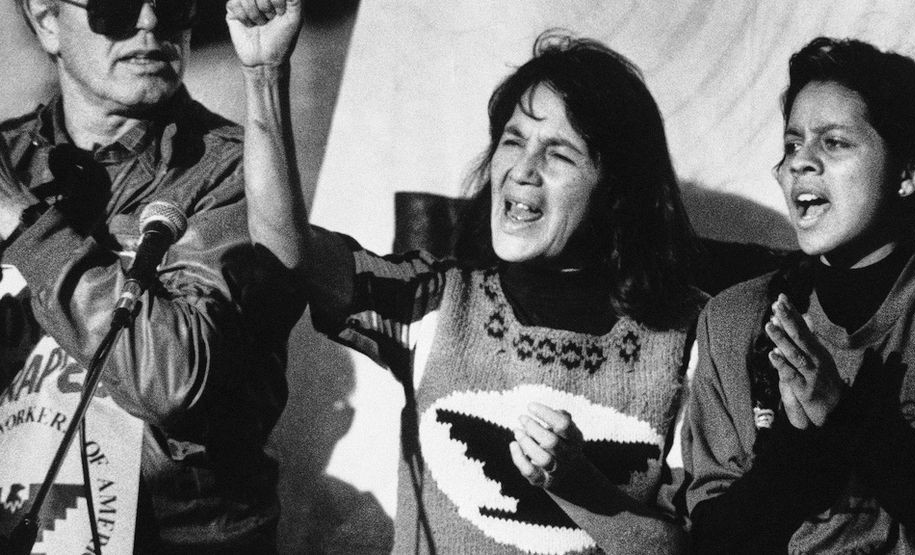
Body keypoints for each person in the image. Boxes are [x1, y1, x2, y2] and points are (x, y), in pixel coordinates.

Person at [227, 0, 705, 552]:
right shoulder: (435, 304)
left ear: (618, 193)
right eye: (513, 140)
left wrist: (580, 487)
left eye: (559, 155)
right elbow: (284, 247)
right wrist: (264, 74)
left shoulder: (688, 341)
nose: (522, 170)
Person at [0, 0, 302, 552]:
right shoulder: (9, 160)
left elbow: (172, 381)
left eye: (172, 4)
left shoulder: (236, 170)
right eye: (113, 7)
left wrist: (25, 226)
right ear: (46, 21)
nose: (148, 24)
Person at [684, 36, 915, 553]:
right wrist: (798, 449)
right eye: (793, 143)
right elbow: (712, 540)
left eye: (834, 142)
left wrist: (846, 419)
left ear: (908, 173)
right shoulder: (732, 321)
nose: (801, 161)